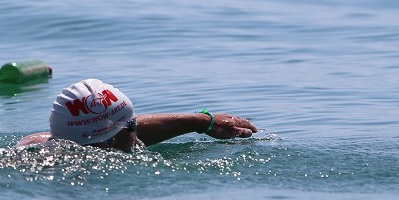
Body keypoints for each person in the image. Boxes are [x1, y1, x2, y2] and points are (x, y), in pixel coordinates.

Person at [16, 78, 258, 152]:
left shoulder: (39, 142)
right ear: (110, 139)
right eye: (132, 125)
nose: (137, 129)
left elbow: (103, 129)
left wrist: (203, 121)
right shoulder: (88, 165)